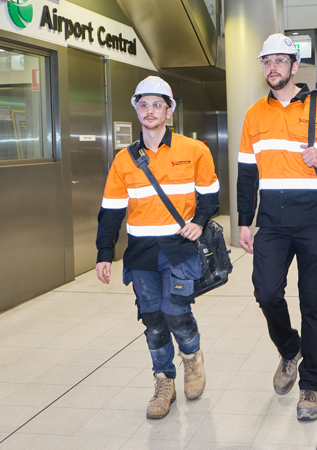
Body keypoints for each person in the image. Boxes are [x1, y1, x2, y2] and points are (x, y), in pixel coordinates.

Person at [237, 34, 317, 421]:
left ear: (295, 67)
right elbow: (247, 174)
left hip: (315, 223)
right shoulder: (253, 115)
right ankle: (289, 347)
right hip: (273, 225)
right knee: (266, 293)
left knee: (313, 302)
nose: (272, 67)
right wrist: (245, 222)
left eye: (280, 61)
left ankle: (310, 385)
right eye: (266, 61)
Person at [95, 76, 220, 419]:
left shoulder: (194, 151)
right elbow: (111, 211)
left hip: (180, 248)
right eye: (143, 104)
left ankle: (192, 358)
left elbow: (210, 197)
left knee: (176, 311)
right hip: (141, 252)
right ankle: (164, 380)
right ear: (136, 109)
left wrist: (199, 220)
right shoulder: (124, 160)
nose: (150, 110)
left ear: (169, 111)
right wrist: (104, 253)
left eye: (157, 104)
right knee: (152, 319)